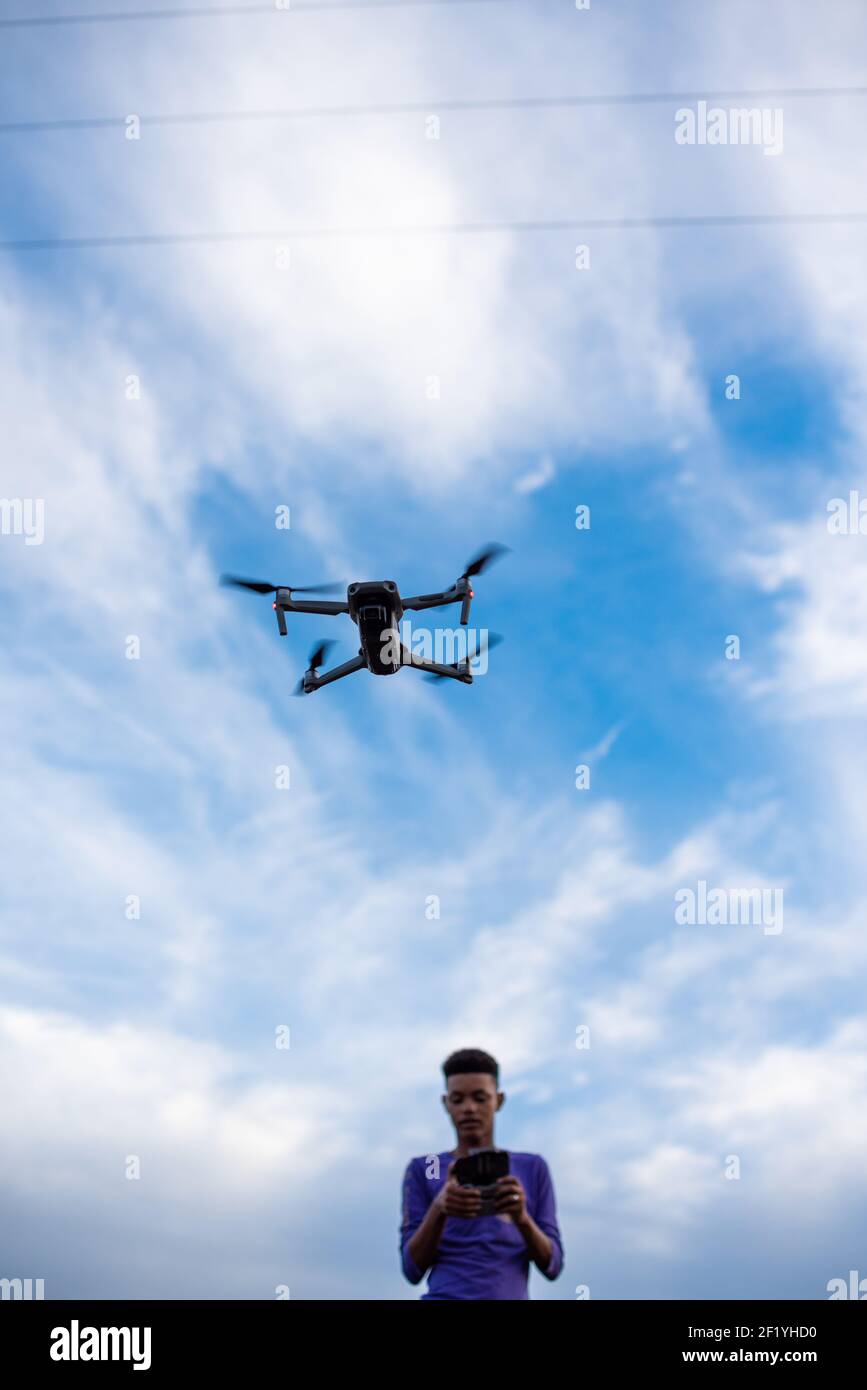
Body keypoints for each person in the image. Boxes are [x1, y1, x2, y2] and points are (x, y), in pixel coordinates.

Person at [399, 1048, 564, 1300]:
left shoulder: (531, 1166)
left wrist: (521, 1217)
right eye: (457, 1099)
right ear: (445, 1103)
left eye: (479, 1098)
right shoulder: (428, 1166)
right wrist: (440, 1207)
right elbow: (412, 1269)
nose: (469, 1109)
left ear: (498, 1100)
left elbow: (553, 1264)